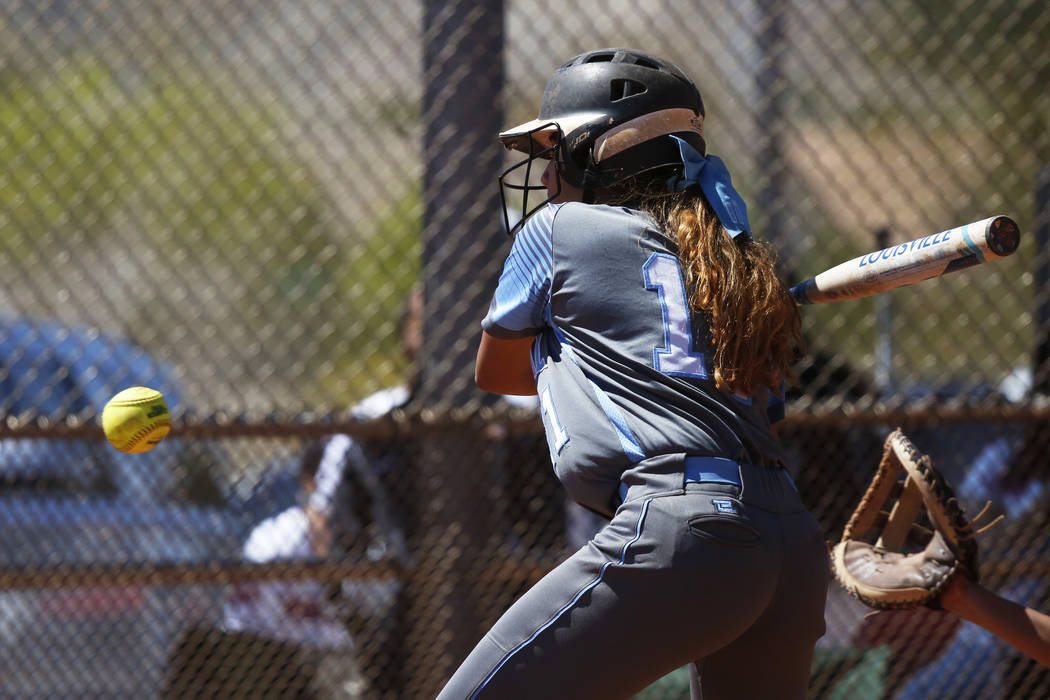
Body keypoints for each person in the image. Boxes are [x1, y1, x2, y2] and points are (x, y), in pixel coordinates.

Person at [437, 48, 829, 699]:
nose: (544, 173)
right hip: (788, 542)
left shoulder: (561, 227)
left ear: (603, 154)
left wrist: (577, 337)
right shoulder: (738, 271)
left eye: (557, 151)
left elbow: (496, 369)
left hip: (682, 533)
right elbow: (765, 415)